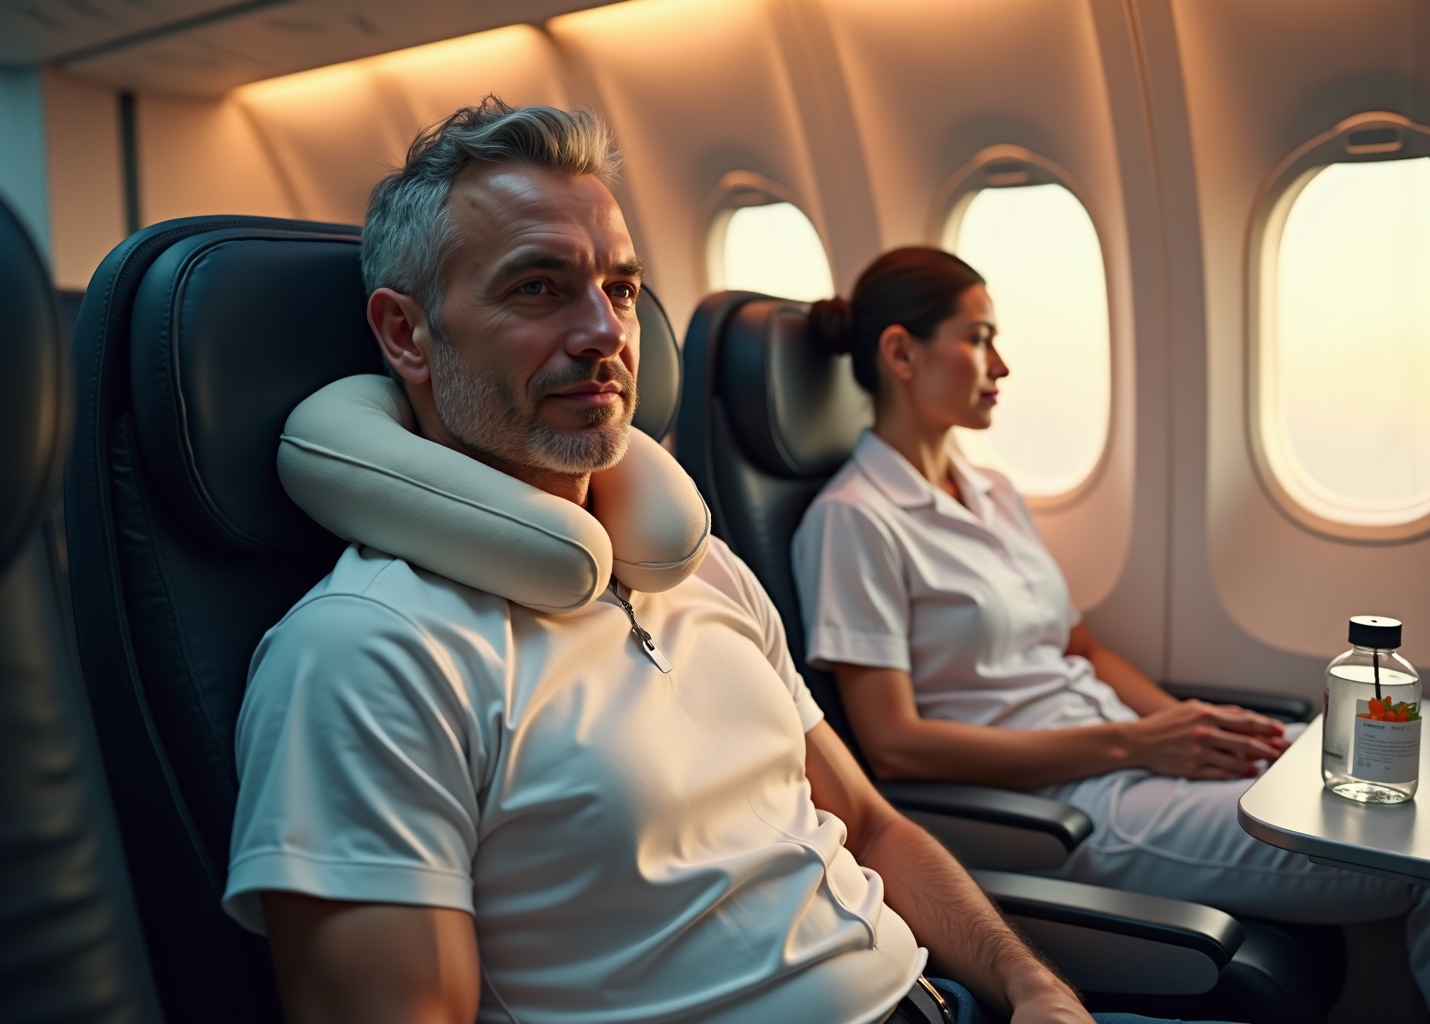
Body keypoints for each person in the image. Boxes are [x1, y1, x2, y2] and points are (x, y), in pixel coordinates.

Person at [219, 98, 1210, 1024]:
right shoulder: (367, 654)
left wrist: (1033, 987)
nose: (607, 334)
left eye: (620, 288)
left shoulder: (698, 568)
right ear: (406, 335)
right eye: (538, 287)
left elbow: (870, 827)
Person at [790, 246, 1430, 1009]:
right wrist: (1136, 743)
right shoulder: (852, 520)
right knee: (1409, 852)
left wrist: (1192, 727)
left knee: (1409, 758)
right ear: (901, 352)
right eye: (980, 338)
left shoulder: (990, 490)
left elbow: (1078, 646)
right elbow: (891, 745)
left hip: (1128, 751)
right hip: (1073, 807)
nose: (1002, 366)